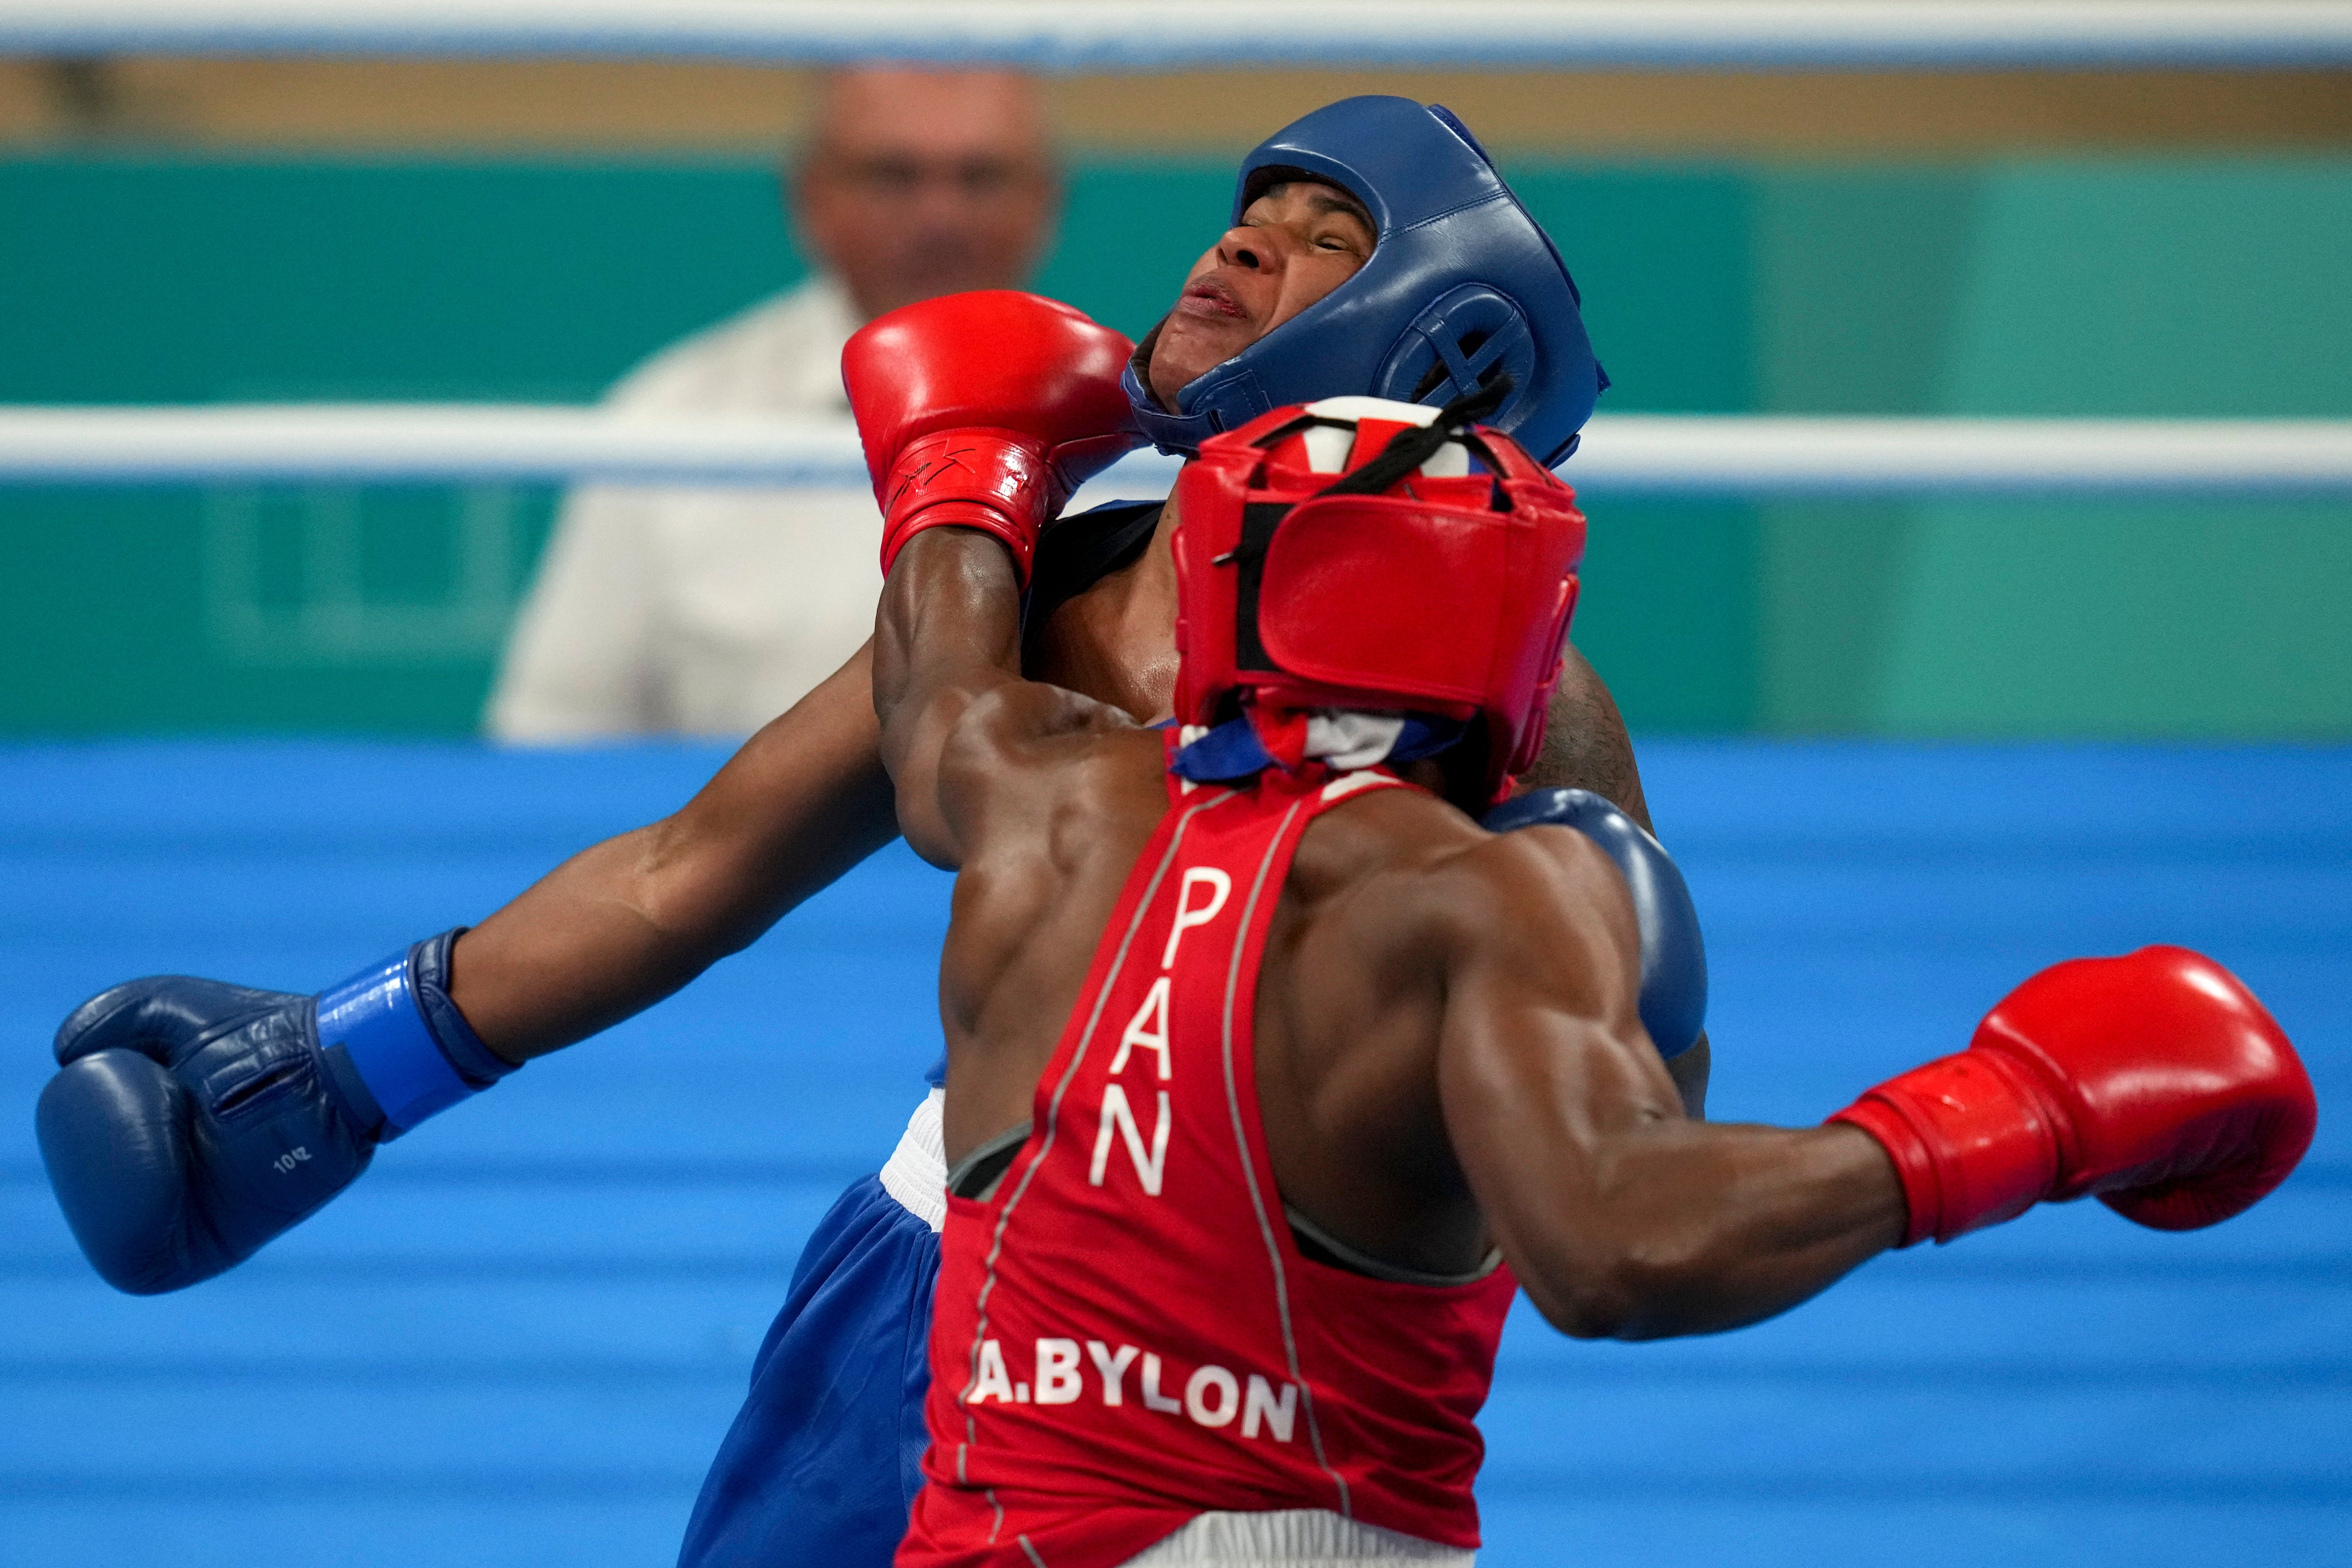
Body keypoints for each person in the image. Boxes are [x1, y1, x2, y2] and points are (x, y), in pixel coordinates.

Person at [38, 99, 1691, 1568]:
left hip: (1268, 1364)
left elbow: (1615, 1162)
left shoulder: (1524, 706)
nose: (1241, 248)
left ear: (1436, 346)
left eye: (1326, 242)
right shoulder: (1073, 567)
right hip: (938, 1272)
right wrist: (333, 1069)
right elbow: (695, 868)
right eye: (1247, 212)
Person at [862, 302, 2317, 1566]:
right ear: (1509, 630)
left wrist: (955, 483)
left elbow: (932, 697)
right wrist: (2018, 1113)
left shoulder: (1025, 786)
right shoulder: (1478, 893)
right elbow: (1619, 1242)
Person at [486, 67, 1060, 740]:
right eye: (893, 175)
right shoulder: (672, 419)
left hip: (1055, 844)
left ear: (1047, 199)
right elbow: (553, 735)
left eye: (981, 176)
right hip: (735, 841)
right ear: (810, 195)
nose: (941, 215)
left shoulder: (1142, 427)